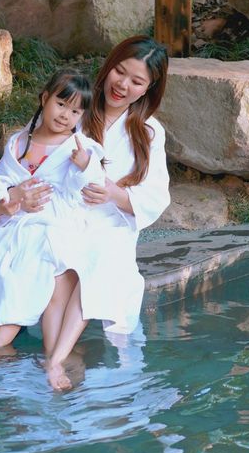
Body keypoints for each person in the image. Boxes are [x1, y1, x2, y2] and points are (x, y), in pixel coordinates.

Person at [0, 68, 105, 361]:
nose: (65, 115)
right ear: (44, 98)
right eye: (61, 104)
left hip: (52, 226)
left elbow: (91, 189)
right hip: (17, 222)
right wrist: (9, 199)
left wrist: (85, 166)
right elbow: (0, 183)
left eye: (75, 111)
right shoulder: (19, 142)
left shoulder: (81, 148)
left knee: (23, 275)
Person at [42, 35, 170, 390]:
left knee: (101, 256)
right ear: (109, 65)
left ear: (148, 89)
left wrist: (115, 193)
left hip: (111, 224)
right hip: (65, 213)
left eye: (137, 81)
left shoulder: (149, 132)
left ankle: (56, 360)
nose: (123, 85)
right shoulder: (77, 108)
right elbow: (37, 152)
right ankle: (59, 354)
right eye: (119, 71)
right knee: (54, 256)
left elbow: (155, 196)